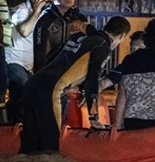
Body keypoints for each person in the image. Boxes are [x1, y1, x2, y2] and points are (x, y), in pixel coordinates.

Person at [20, 16, 131, 153]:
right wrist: (93, 116)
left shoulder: (79, 37)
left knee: (29, 146)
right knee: (51, 148)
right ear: (122, 36)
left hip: (33, 84)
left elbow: (54, 59)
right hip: (51, 91)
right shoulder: (103, 47)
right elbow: (92, 79)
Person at [5, 0, 54, 122]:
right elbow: (24, 31)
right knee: (25, 88)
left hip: (30, 66)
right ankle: (15, 122)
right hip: (13, 62)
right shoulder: (21, 10)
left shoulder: (44, 14)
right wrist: (37, 11)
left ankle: (13, 122)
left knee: (23, 94)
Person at [32, 0, 80, 73]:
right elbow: (39, 57)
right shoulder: (45, 21)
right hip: (51, 73)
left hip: (73, 75)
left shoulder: (80, 19)